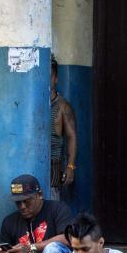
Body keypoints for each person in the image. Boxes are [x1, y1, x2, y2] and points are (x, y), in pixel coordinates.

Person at [49, 56, 78, 202]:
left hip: (53, 166)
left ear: (56, 79)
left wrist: (70, 167)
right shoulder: (34, 102)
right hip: (33, 164)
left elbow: (72, 137)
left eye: (50, 76)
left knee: (51, 205)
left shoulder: (62, 106)